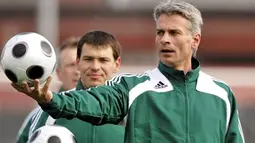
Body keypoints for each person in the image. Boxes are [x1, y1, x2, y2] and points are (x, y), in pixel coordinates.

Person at [12, 1, 245, 143]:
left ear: (195, 40)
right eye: (160, 32)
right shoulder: (135, 88)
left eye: (173, 33)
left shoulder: (221, 94)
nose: (164, 39)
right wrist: (52, 100)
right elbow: (94, 100)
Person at [16, 37, 81, 143]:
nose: (77, 71)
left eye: (80, 64)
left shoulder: (109, 111)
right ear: (59, 73)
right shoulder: (37, 116)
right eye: (71, 65)